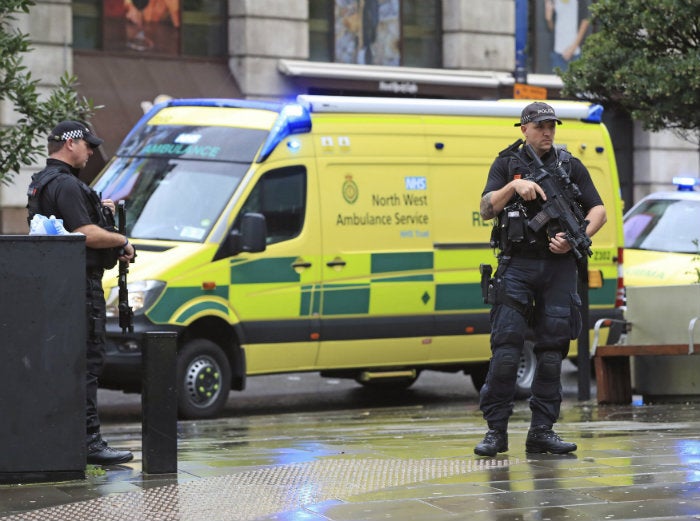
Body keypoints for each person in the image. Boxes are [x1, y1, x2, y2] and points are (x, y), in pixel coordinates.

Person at [475, 102, 606, 456]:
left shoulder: (570, 166)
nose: (547, 132)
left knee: (551, 354)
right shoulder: (507, 163)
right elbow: (487, 207)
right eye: (540, 126)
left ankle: (542, 431)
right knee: (505, 352)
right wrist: (514, 188)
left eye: (551, 126)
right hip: (516, 266)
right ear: (524, 129)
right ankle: (495, 433)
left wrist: (578, 235)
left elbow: (599, 209)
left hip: (557, 268)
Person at [27, 121, 136, 465]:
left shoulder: (41, 183)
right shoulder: (67, 185)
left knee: (64, 364)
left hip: (56, 287)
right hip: (80, 287)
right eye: (87, 144)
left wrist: (97, 209)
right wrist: (121, 240)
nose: (90, 151)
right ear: (70, 143)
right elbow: (85, 233)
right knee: (87, 362)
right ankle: (89, 442)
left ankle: (60, 439)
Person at [544, 0, 590, 72]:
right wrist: (549, 19)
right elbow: (551, 28)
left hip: (576, 53)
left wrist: (572, 48)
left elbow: (585, 22)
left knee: (575, 82)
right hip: (557, 53)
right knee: (557, 82)